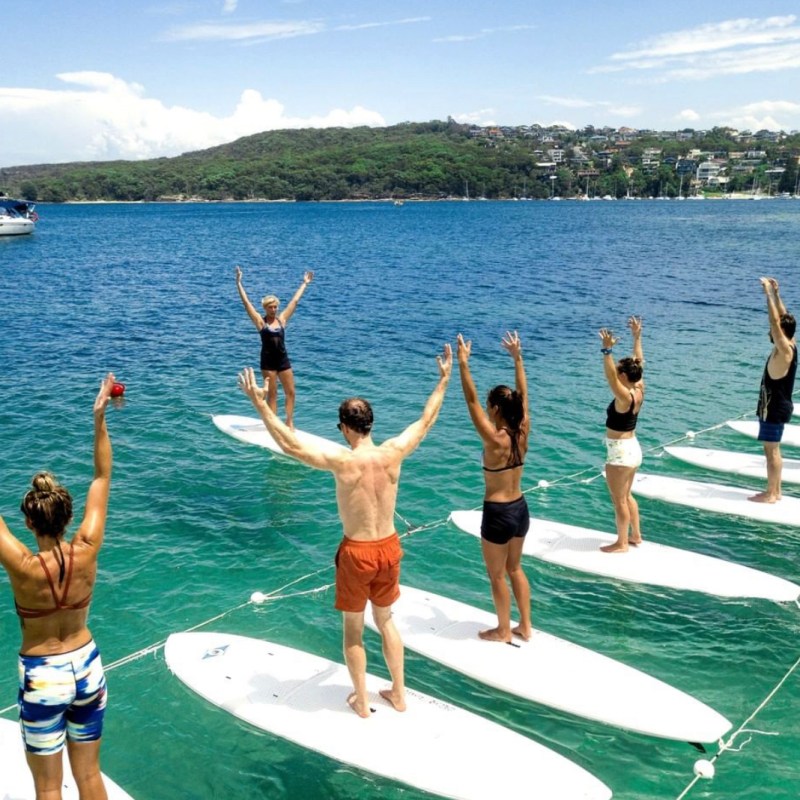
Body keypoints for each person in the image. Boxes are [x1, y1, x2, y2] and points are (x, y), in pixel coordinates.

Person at [237, 345, 452, 718]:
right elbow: (426, 419)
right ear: (370, 424)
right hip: (389, 547)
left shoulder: (342, 461)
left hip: (357, 553)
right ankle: (399, 693)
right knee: (386, 620)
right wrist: (444, 379)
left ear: (344, 428)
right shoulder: (393, 452)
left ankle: (364, 703)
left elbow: (288, 443)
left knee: (353, 630)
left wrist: (260, 405)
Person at [0, 373, 116, 800]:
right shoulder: (87, 548)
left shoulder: (24, 567)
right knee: (89, 776)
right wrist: (99, 417)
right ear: (68, 517)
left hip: (44, 676)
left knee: (48, 787)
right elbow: (102, 479)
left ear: (29, 523)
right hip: (88, 666)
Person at [456, 331, 531, 643]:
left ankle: (503, 629)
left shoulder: (495, 439)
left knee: (497, 574)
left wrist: (463, 365)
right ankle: (525, 626)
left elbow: (470, 400)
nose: (485, 408)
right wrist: (517, 359)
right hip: (520, 509)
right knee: (515, 569)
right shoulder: (523, 429)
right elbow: (523, 397)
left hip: (498, 513)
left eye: (490, 406)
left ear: (497, 409)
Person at [235, 265, 314, 428]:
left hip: (283, 361)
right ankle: (273, 424)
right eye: (270, 307)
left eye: (275, 306)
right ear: (265, 308)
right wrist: (238, 282)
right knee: (272, 394)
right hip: (268, 363)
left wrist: (304, 283)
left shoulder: (282, 320)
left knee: (291, 392)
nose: (273, 309)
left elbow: (295, 301)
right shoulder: (260, 322)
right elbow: (246, 303)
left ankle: (289, 421)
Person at [598, 317, 645, 553]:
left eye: (620, 372)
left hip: (620, 452)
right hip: (633, 448)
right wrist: (637, 337)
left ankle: (622, 543)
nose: (616, 374)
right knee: (627, 496)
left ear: (624, 377)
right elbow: (639, 361)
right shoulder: (638, 388)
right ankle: (635, 535)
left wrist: (607, 351)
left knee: (619, 501)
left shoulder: (624, 396)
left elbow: (610, 378)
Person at [750, 277, 797, 504]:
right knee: (773, 450)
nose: (771, 332)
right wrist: (777, 296)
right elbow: (783, 319)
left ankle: (772, 493)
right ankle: (775, 491)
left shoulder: (785, 349)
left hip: (774, 407)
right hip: (775, 405)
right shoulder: (792, 343)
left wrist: (767, 294)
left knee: (772, 451)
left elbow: (775, 323)